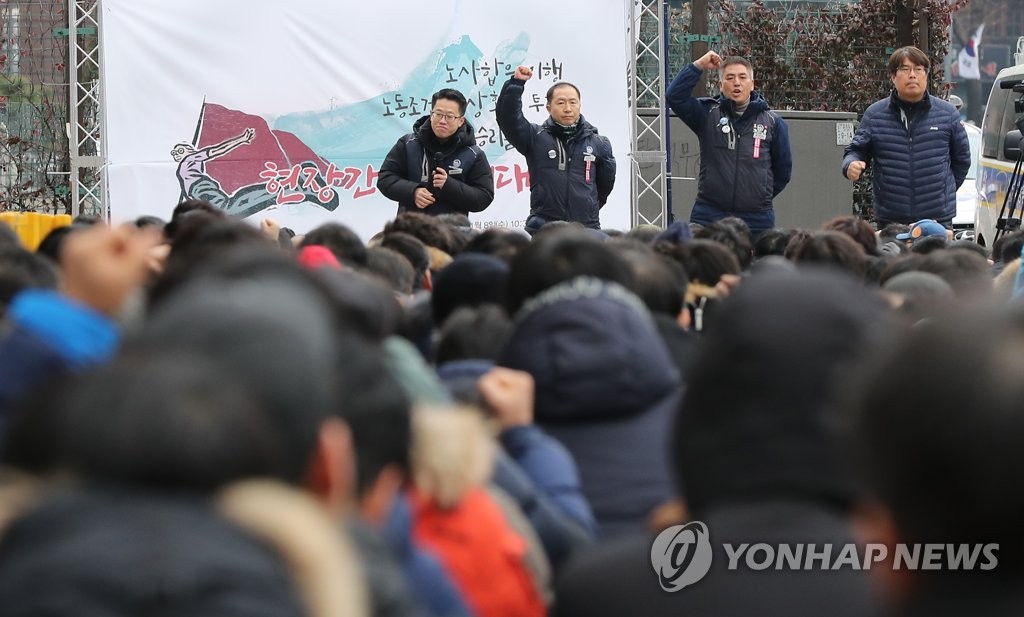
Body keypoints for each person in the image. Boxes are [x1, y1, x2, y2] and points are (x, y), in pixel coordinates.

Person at [842, 46, 971, 228]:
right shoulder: (875, 114)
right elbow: (856, 151)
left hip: (937, 219)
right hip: (891, 219)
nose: (912, 75)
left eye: (918, 69)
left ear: (926, 75)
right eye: (905, 69)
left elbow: (962, 160)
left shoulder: (947, 114)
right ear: (893, 76)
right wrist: (850, 164)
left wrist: (943, 191)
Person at [666, 51, 792, 236]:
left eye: (742, 77)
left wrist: (758, 196)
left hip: (757, 219)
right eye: (730, 78)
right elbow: (674, 96)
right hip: (709, 214)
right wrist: (699, 65)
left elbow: (783, 171)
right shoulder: (707, 113)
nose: (736, 83)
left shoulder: (773, 122)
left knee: (755, 265)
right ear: (720, 85)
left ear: (752, 84)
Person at [496, 66, 616, 234]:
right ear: (548, 107)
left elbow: (605, 186)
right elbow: (508, 119)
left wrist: (588, 205)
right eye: (561, 102)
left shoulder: (599, 143)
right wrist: (516, 84)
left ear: (580, 105)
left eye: (573, 102)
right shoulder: (535, 137)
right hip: (545, 228)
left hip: (586, 228)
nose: (568, 108)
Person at [378, 88, 494, 218]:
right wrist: (412, 191)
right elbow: (385, 178)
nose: (442, 121)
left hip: (452, 233)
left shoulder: (473, 154)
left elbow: (484, 197)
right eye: (438, 114)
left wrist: (449, 185)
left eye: (449, 116)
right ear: (431, 114)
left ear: (461, 121)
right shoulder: (408, 144)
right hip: (411, 230)